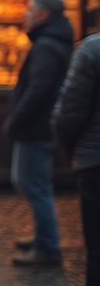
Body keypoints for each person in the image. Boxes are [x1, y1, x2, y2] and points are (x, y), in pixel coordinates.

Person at [4, 0, 73, 266]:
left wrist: (17, 119)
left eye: (29, 9)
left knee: (35, 184)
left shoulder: (46, 44)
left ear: (43, 13)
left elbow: (39, 89)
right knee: (30, 182)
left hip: (36, 126)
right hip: (39, 124)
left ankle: (47, 246)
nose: (25, 13)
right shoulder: (51, 40)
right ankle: (44, 235)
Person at [53, 29, 100, 284]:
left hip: (94, 160)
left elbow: (70, 111)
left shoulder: (92, 49)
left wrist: (70, 151)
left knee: (97, 250)